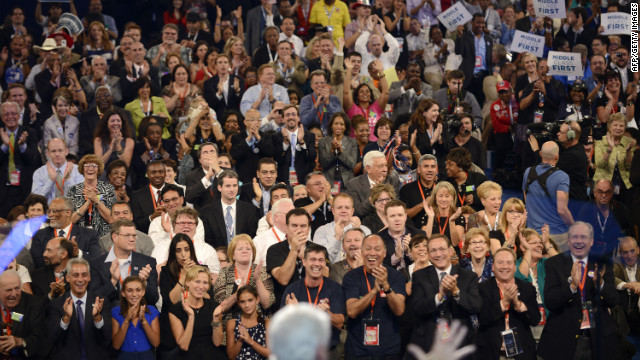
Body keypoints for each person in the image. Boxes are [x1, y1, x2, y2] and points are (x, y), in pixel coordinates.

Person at [537, 222, 620, 360]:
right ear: (568, 241)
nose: (579, 241)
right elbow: (550, 301)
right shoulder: (554, 263)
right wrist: (572, 287)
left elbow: (613, 300)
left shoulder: (603, 263)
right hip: (563, 340)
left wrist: (600, 284)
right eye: (575, 237)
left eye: (583, 237)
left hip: (597, 340)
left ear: (591, 241)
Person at [410, 234, 481, 355]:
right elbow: (417, 308)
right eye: (433, 250)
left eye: (442, 249)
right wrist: (439, 296)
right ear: (428, 254)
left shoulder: (468, 276)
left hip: (460, 343)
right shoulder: (419, 276)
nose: (438, 254)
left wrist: (456, 292)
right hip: (429, 343)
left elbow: (476, 306)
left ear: (450, 250)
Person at [343, 234, 406, 359]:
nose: (372, 253)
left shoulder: (396, 276)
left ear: (384, 253)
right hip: (357, 350)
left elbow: (399, 310)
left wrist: (386, 287)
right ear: (361, 252)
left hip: (388, 350)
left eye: (377, 249)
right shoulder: (351, 277)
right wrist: (374, 291)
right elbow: (351, 311)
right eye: (368, 249)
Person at [282, 243, 346, 357]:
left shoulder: (335, 288)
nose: (317, 264)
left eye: (321, 260)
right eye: (312, 259)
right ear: (304, 262)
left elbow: (339, 322)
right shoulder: (292, 290)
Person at [476, 248, 540, 359]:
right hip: (491, 353)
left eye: (509, 262)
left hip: (522, 353)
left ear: (515, 267)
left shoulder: (527, 288)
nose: (505, 266)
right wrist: (504, 302)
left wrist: (520, 305)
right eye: (500, 262)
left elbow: (535, 319)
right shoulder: (482, 288)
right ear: (493, 267)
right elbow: (483, 318)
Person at [46, 258, 111, 360]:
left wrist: (97, 317)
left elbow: (107, 337)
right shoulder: (56, 304)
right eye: (75, 275)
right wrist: (66, 318)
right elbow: (52, 339)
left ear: (89, 277)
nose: (80, 279)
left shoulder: (101, 302)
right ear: (68, 277)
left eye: (84, 275)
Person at [213, 234, 274, 329]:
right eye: (240, 249)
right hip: (230, 327)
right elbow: (220, 307)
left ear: (253, 253)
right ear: (232, 255)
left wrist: (257, 280)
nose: (244, 251)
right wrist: (236, 294)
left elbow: (267, 303)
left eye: (248, 249)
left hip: (259, 326)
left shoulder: (261, 271)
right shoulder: (224, 273)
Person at [523, 141, 574, 251]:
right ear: (557, 156)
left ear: (540, 154)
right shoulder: (562, 177)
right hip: (556, 235)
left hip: (533, 234)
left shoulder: (528, 172)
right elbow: (562, 210)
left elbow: (526, 198)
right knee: (557, 267)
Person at [267, 208, 320, 310]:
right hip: (283, 308)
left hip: (313, 307)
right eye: (294, 226)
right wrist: (294, 250)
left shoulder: (318, 250)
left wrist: (305, 258)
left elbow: (324, 276)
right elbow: (283, 279)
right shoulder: (274, 250)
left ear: (309, 229)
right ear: (286, 227)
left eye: (303, 226)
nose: (299, 230)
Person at [168, 266, 226, 359]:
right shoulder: (175, 310)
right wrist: (191, 316)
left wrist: (215, 318)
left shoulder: (214, 307)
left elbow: (218, 342)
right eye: (197, 281)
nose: (201, 286)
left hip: (211, 355)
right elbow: (184, 346)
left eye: (205, 283)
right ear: (187, 282)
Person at [515, 227, 558, 340]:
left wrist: (547, 242)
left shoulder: (545, 263)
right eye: (534, 243)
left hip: (549, 321)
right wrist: (528, 251)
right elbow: (520, 277)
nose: (539, 245)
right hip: (526, 321)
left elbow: (562, 264)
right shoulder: (515, 265)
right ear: (522, 247)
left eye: (540, 242)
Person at [0, 101, 41, 218]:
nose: (10, 117)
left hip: (23, 189)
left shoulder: (30, 132)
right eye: (6, 114)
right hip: (3, 190)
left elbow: (32, 160)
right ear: (2, 117)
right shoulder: (0, 133)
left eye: (13, 113)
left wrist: (23, 146)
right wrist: (5, 146)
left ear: (19, 115)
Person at [0, 270, 49, 359]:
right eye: (9, 290)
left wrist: (21, 342)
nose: (14, 294)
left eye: (17, 288)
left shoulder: (35, 305)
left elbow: (42, 340)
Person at [111, 276, 161, 359]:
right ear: (123, 293)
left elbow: (156, 343)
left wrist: (144, 322)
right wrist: (126, 321)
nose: (134, 294)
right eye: (129, 290)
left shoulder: (151, 311)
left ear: (143, 292)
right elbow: (116, 345)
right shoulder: (116, 312)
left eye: (138, 290)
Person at [66, 154, 116, 237]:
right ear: (82, 169)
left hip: (102, 236)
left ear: (99, 169)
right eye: (87, 165)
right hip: (79, 237)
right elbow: (69, 221)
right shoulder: (73, 191)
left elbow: (111, 219)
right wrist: (87, 204)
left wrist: (96, 200)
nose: (90, 169)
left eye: (94, 166)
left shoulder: (108, 189)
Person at [314, 194, 371, 264]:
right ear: (333, 211)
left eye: (347, 208)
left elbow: (369, 258)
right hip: (331, 273)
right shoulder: (321, 231)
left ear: (352, 211)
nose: (343, 210)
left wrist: (358, 232)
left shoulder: (364, 230)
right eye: (339, 207)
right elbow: (321, 261)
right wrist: (337, 238)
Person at [343, 58, 390, 141]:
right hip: (356, 146)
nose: (365, 93)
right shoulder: (352, 108)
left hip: (375, 146)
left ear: (371, 95)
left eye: (367, 91)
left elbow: (385, 92)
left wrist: (381, 72)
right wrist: (349, 71)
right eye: (361, 92)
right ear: (357, 96)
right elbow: (346, 92)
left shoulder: (376, 107)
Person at [593, 112, 635, 201]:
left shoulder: (630, 142)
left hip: (624, 184)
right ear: (609, 127)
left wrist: (628, 151)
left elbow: (629, 167)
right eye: (615, 125)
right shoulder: (600, 141)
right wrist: (610, 149)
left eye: (621, 126)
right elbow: (599, 164)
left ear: (625, 128)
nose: (618, 128)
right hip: (603, 185)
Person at [346, 150, 401, 218]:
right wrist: (373, 197)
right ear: (368, 169)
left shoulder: (393, 182)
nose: (385, 170)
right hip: (364, 224)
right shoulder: (354, 184)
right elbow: (356, 212)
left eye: (385, 165)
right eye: (380, 166)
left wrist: (382, 190)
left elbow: (395, 207)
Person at [273, 105, 317, 186]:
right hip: (284, 180)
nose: (291, 117)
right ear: (283, 119)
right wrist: (285, 142)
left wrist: (302, 142)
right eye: (287, 115)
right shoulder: (277, 137)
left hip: (304, 181)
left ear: (299, 117)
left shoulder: (309, 136)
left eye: (293, 114)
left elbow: (311, 158)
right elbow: (277, 160)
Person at [230, 108, 277, 183]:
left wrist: (258, 138)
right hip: (243, 178)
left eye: (258, 120)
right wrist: (248, 138)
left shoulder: (266, 137)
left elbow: (270, 153)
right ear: (245, 122)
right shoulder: (237, 137)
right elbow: (234, 154)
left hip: (262, 179)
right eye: (252, 120)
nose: (256, 122)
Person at [31, 138, 84, 203]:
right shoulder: (39, 173)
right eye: (53, 151)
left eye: (60, 150)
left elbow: (79, 199)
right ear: (48, 153)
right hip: (48, 212)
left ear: (66, 152)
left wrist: (68, 180)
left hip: (71, 212)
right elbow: (36, 201)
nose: (57, 154)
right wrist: (51, 181)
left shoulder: (78, 170)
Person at [225, 285, 271, 359]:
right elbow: (231, 357)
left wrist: (250, 340)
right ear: (238, 303)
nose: (247, 305)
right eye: (242, 302)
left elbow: (270, 354)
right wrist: (241, 339)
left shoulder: (266, 323)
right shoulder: (232, 323)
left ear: (257, 299)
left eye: (250, 300)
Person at [318, 113, 358, 189]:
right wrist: (332, 152)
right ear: (331, 126)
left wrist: (341, 151)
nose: (339, 126)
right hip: (329, 182)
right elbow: (323, 164)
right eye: (336, 123)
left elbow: (352, 164)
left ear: (345, 127)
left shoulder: (352, 142)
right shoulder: (323, 142)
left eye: (342, 124)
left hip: (347, 183)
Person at [613, 236, 640, 350]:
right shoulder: (616, 263)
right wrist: (626, 285)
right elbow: (609, 277)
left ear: (638, 250)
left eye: (632, 251)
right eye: (625, 252)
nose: (629, 256)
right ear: (620, 253)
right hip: (622, 309)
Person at [399, 154, 438, 228]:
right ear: (419, 169)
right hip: (416, 235)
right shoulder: (407, 189)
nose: (430, 170)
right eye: (426, 166)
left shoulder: (442, 189)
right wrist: (423, 205)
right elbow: (402, 215)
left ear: (436, 170)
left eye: (433, 166)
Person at [423, 181, 465, 249]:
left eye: (447, 196)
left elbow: (455, 243)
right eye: (440, 196)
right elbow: (426, 241)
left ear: (452, 198)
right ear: (435, 197)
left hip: (452, 256)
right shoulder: (428, 216)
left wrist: (451, 221)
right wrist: (431, 217)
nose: (444, 199)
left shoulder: (458, 217)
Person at [253, 198, 295, 265]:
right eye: (288, 214)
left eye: (294, 214)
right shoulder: (259, 241)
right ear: (276, 217)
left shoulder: (301, 238)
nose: (293, 218)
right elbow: (253, 270)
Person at [203, 54, 245, 122]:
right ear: (216, 66)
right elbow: (209, 105)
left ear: (229, 65)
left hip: (235, 119)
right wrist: (218, 94)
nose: (223, 65)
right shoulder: (208, 83)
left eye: (225, 62)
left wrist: (237, 91)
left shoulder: (238, 80)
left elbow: (243, 102)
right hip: (217, 120)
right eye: (220, 62)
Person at [446, 147, 488, 212]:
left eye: (450, 164)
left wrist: (476, 199)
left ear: (461, 166)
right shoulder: (445, 181)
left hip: (474, 218)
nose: (447, 167)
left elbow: (491, 199)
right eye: (447, 164)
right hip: (452, 218)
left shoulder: (479, 179)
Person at [130, 160, 166, 233]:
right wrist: (151, 217)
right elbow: (136, 223)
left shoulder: (176, 191)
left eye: (160, 172)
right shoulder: (137, 196)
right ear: (147, 174)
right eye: (153, 172)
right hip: (148, 236)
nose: (157, 175)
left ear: (165, 173)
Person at [184, 142, 222, 210]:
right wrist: (207, 177)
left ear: (217, 156)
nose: (209, 154)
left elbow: (237, 191)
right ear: (200, 160)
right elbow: (189, 198)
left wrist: (219, 171)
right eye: (205, 152)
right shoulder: (191, 176)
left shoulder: (228, 172)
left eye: (212, 151)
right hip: (203, 216)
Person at [490, 81, 519, 170]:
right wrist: (508, 128)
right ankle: (498, 171)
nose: (504, 95)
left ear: (511, 91)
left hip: (518, 130)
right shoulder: (495, 106)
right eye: (501, 93)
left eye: (506, 91)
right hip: (503, 132)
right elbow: (496, 125)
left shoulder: (518, 102)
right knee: (501, 145)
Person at [42, 91, 80, 156]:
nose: (63, 108)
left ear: (69, 106)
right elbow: (47, 148)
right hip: (53, 160)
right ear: (55, 107)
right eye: (60, 105)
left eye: (65, 105)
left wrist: (69, 161)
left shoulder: (75, 121)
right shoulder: (48, 123)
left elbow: (74, 146)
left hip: (70, 160)